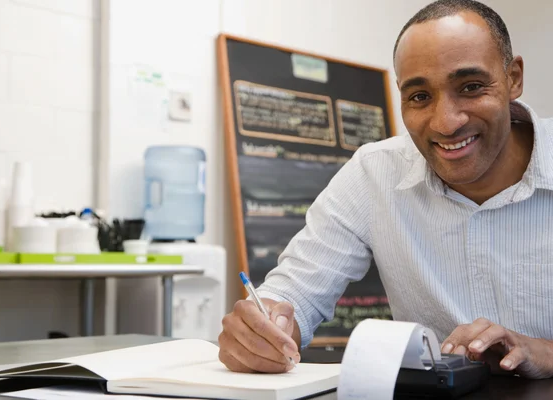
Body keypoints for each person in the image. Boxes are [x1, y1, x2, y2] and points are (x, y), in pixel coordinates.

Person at [218, 0, 553, 379]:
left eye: (471, 86)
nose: (446, 123)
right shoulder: (374, 172)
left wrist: (545, 352)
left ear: (514, 78)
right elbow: (296, 291)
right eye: (420, 97)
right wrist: (265, 329)